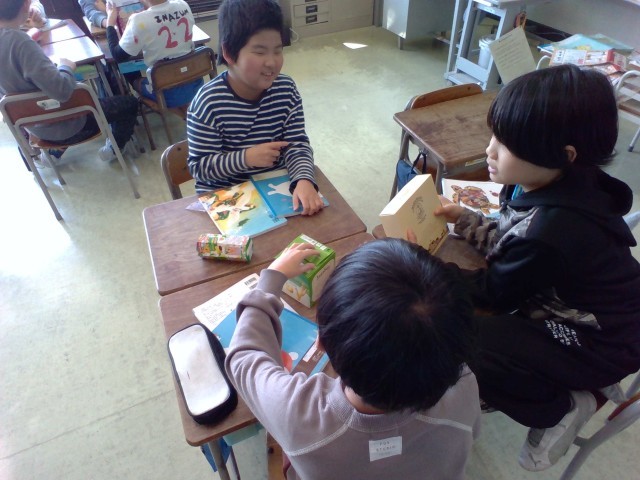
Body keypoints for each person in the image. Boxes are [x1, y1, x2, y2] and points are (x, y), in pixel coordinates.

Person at [433, 64, 640, 471]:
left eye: (507, 144)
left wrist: (423, 265)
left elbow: (492, 291)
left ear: (564, 156)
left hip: (600, 343)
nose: (490, 151)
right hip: (600, 314)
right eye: (495, 136)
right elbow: (513, 237)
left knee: (462, 338)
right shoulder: (554, 183)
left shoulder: (554, 230)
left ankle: (561, 407)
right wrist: (466, 219)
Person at [224, 239, 481, 479]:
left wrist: (271, 279)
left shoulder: (299, 418)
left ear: (320, 342)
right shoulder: (464, 386)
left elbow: (244, 358)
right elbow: (473, 431)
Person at [187, 0, 324, 216]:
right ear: (229, 53)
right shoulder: (207, 103)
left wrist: (304, 179)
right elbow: (200, 168)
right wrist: (246, 158)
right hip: (227, 198)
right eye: (260, 52)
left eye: (278, 51)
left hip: (275, 188)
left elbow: (297, 144)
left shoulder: (285, 89)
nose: (272, 62)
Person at [0, 0, 139, 163]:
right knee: (130, 103)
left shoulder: (13, 39)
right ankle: (114, 149)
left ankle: (53, 154)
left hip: (33, 124)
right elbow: (62, 91)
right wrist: (66, 67)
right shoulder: (21, 42)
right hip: (66, 123)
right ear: (26, 4)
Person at [105, 0, 201, 112]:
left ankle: (166, 108)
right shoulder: (183, 5)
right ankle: (182, 110)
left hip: (165, 94)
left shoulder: (138, 20)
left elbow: (117, 55)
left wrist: (110, 23)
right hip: (195, 84)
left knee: (130, 72)